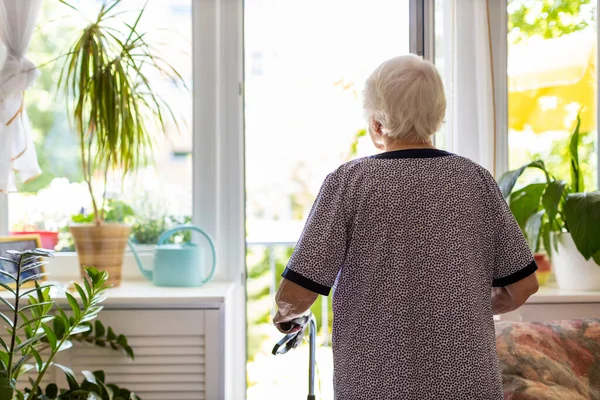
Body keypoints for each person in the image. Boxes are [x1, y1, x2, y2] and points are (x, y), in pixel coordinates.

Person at [272, 54, 539, 400]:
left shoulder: (349, 183)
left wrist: (284, 315)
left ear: (377, 123)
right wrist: (457, 305)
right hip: (468, 385)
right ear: (438, 116)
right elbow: (523, 286)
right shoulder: (476, 181)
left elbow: (297, 293)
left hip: (375, 385)